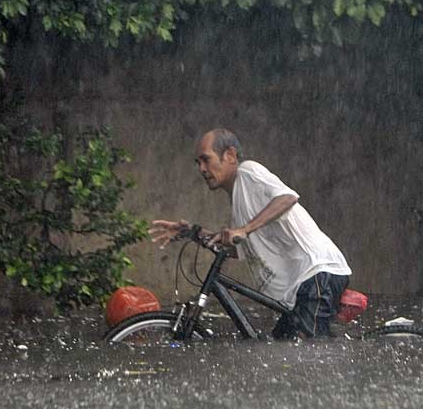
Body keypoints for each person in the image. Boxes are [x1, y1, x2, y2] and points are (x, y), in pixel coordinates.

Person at [149, 129, 351, 339]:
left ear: (230, 155)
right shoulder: (238, 198)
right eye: (197, 163)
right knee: (280, 354)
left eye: (206, 160)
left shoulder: (248, 172)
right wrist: (193, 232)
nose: (201, 168)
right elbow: (240, 249)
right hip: (301, 287)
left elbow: (287, 197)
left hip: (317, 272)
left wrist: (244, 229)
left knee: (304, 360)